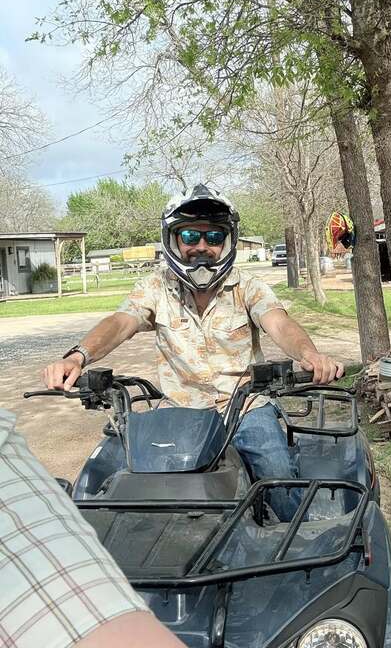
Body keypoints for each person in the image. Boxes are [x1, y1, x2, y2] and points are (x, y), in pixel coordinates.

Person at [42, 183, 344, 519]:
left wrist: (309, 354)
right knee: (123, 485)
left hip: (245, 409)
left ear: (227, 241)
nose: (202, 247)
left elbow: (279, 324)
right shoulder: (156, 288)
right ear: (173, 240)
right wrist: (77, 356)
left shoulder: (247, 287)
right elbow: (120, 322)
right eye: (190, 237)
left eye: (213, 238)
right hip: (179, 412)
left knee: (277, 479)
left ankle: (294, 557)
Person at [0, 408, 184, 648]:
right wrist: (77, 367)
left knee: (251, 450)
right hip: (167, 406)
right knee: (100, 465)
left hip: (228, 402)